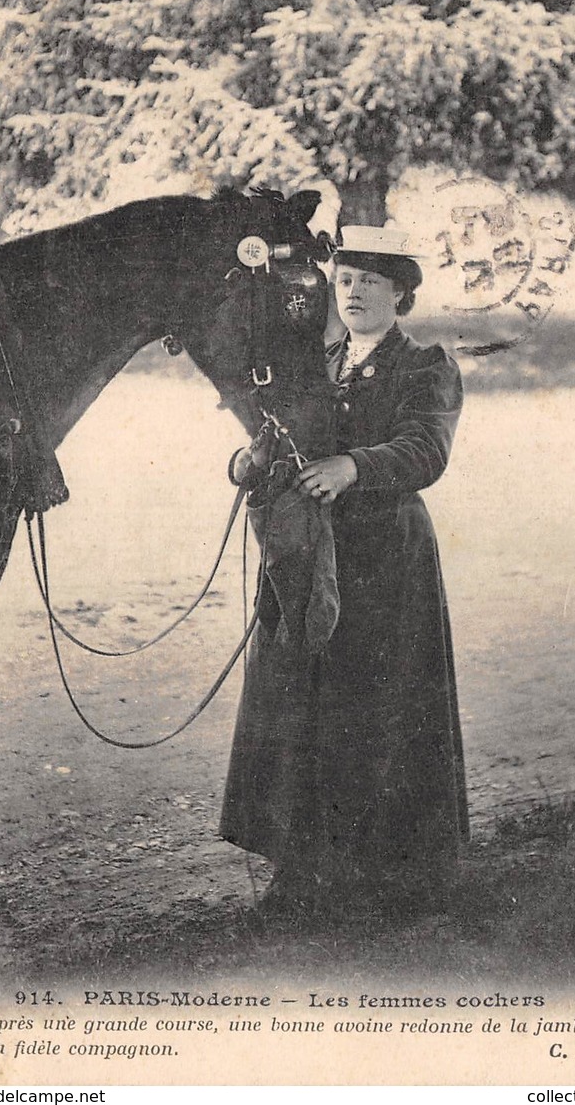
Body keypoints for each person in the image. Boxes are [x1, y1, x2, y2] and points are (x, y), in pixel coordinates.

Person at [220, 225, 469, 922]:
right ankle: (300, 873)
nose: (355, 293)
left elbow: (425, 449)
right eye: (347, 281)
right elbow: (281, 432)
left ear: (402, 296)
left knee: (375, 712)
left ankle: (393, 879)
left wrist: (355, 466)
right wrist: (249, 461)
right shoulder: (315, 361)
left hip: (385, 560)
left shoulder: (424, 366)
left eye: (373, 283)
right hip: (309, 555)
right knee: (298, 704)